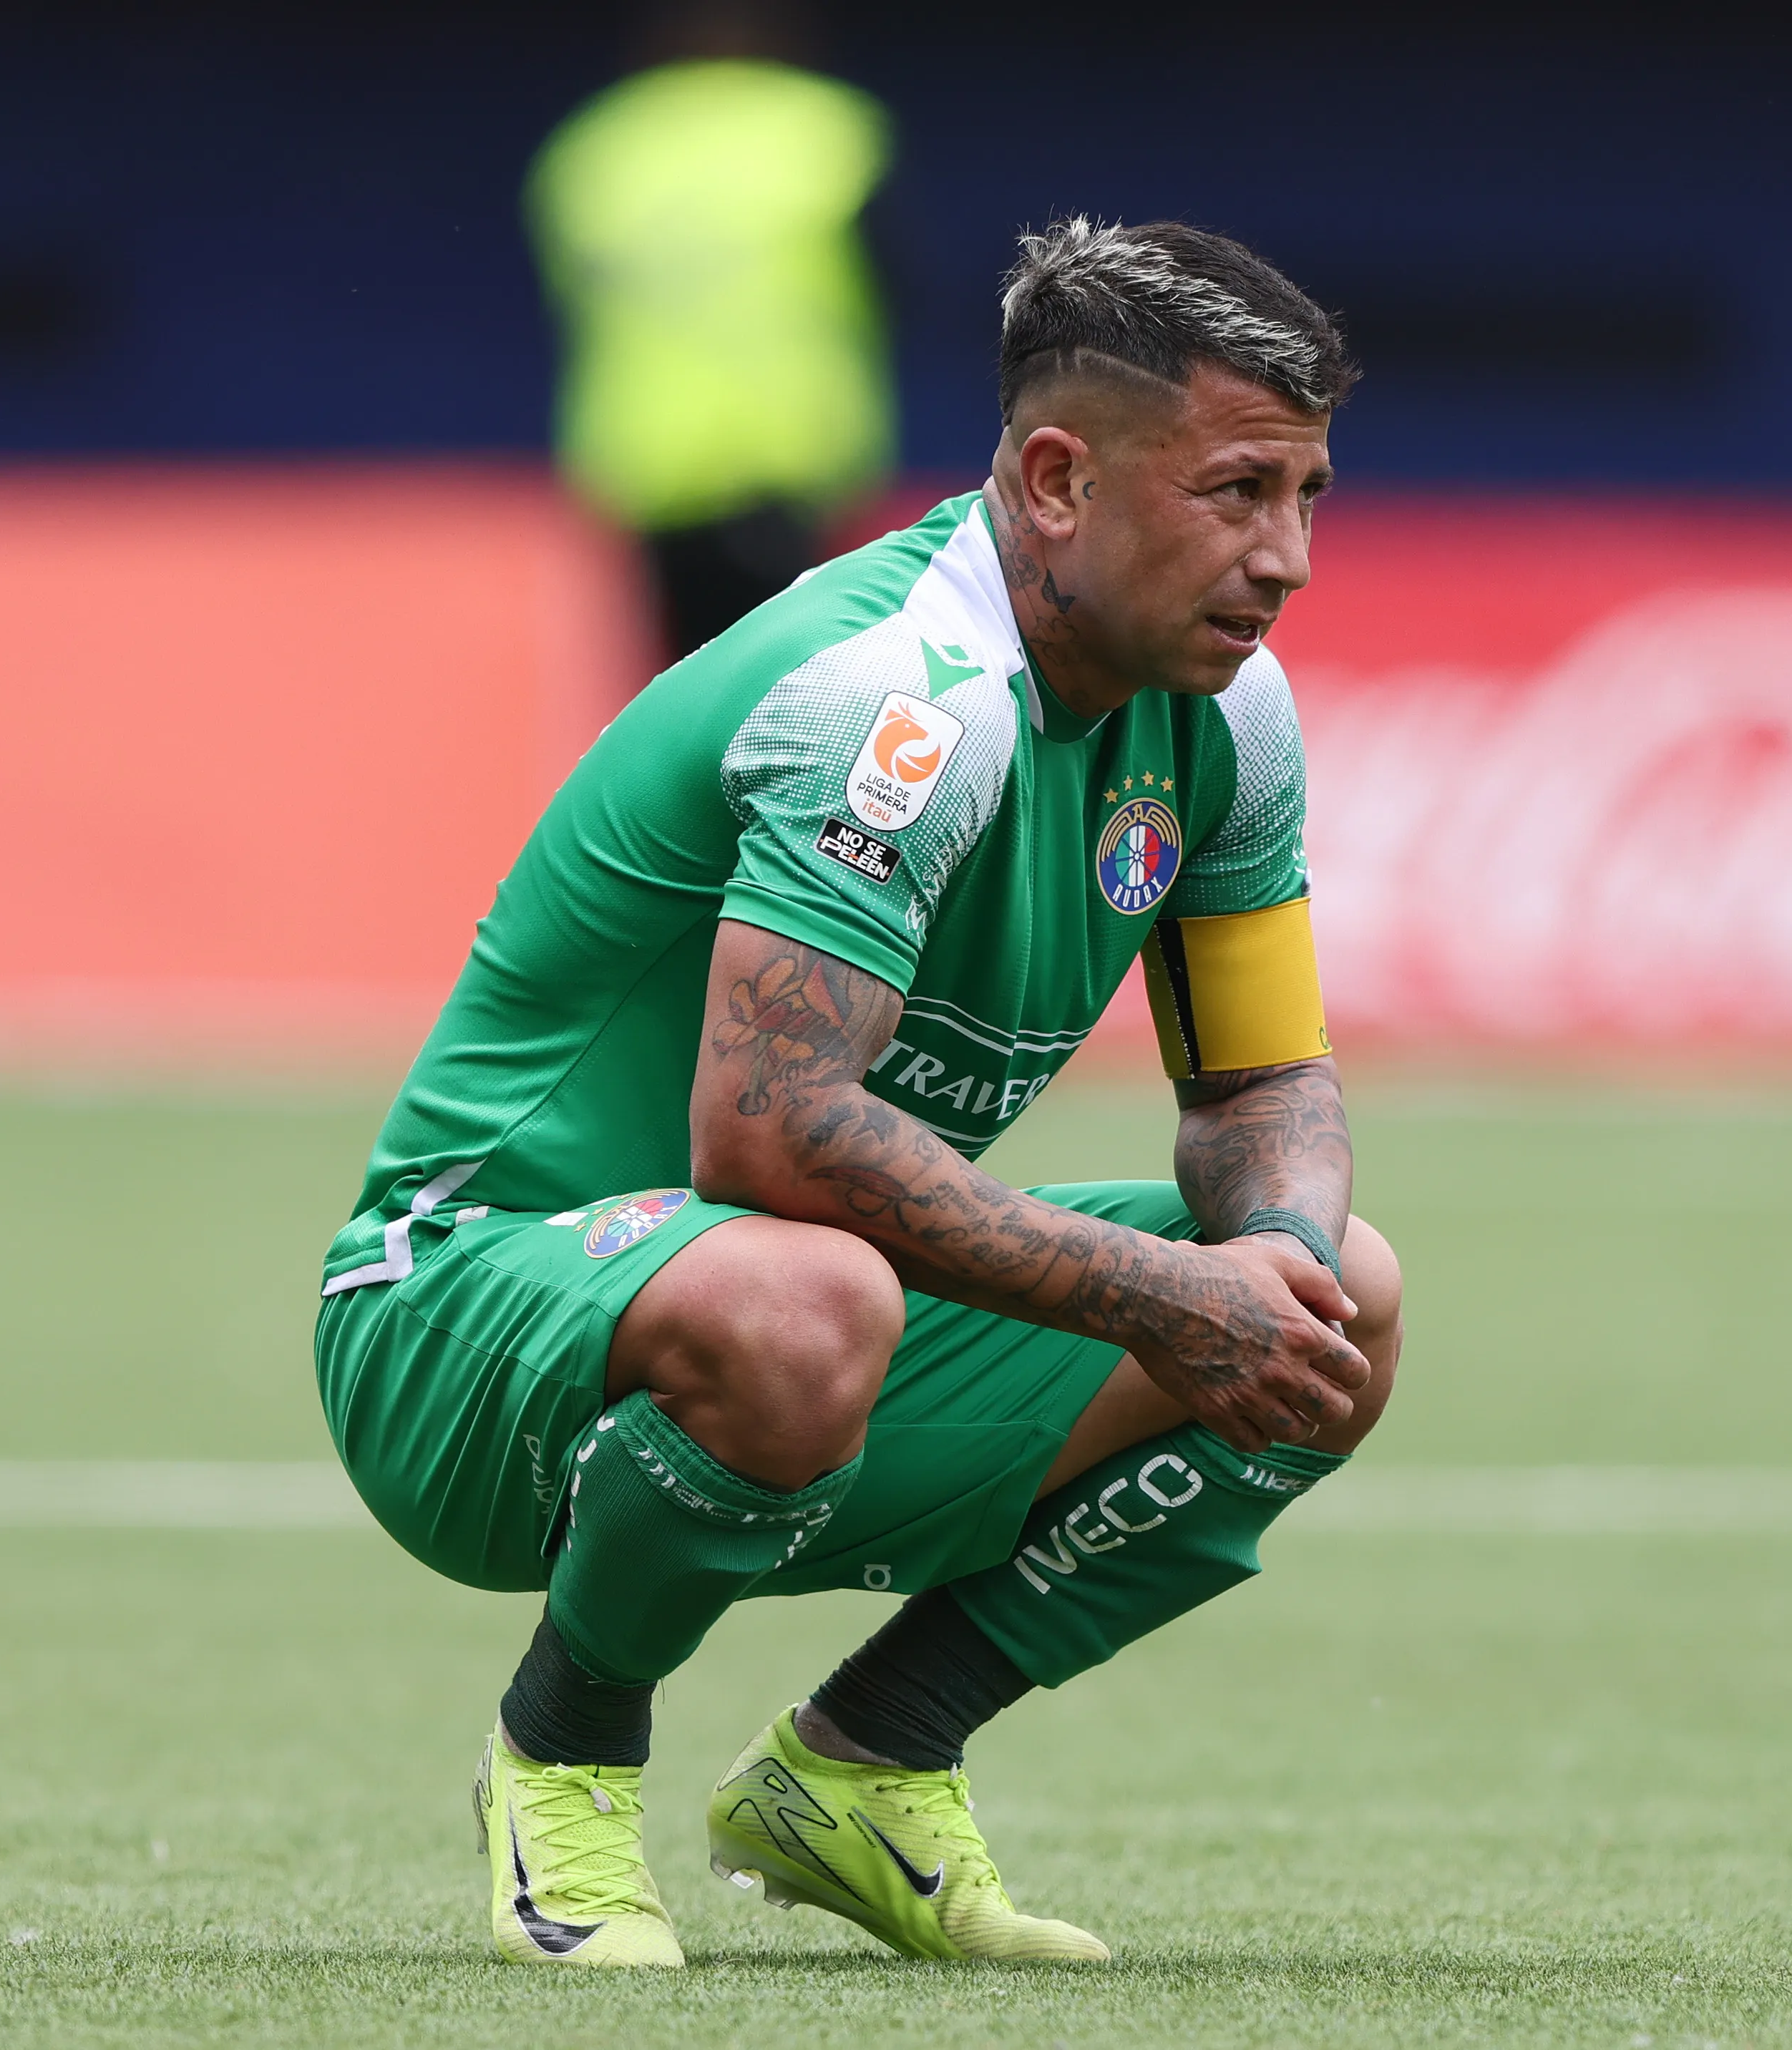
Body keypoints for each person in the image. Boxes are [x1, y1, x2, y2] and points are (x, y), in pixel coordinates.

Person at [314, 220, 1396, 1967]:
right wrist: (1155, 1292)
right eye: (1233, 493)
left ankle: (864, 1766)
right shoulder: (901, 706)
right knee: (809, 1294)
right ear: (1054, 478)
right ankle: (561, 1756)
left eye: (1307, 495)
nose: (1281, 557)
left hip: (791, 1304)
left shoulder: (1226, 717)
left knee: (1336, 1300)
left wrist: (1261, 1258)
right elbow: (769, 1138)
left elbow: (1265, 1074)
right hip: (455, 1306)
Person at [525, 1, 895, 663]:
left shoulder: (595, 150)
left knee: (681, 687)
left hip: (649, 457)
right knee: (794, 682)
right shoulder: (824, 134)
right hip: (788, 449)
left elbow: (569, 295)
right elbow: (898, 280)